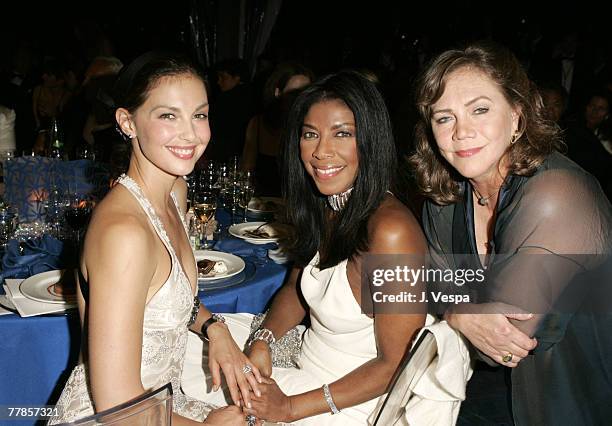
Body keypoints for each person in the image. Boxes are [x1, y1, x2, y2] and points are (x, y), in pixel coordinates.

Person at [182, 70, 427, 424]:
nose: (321, 151)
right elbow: (297, 289)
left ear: (371, 141)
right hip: (304, 362)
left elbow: (397, 363)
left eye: (342, 133)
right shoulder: (327, 206)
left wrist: (290, 408)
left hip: (350, 400)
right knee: (174, 345)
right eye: (311, 134)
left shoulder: (391, 232)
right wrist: (265, 340)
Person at [48, 52, 258, 425]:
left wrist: (213, 328)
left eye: (199, 115)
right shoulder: (123, 234)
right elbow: (117, 409)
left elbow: (163, 298)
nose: (191, 134)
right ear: (127, 122)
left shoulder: (175, 190)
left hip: (162, 402)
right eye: (167, 116)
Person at [410, 40, 612, 425]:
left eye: (480, 110)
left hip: (584, 395)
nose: (461, 131)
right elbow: (414, 284)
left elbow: (506, 345)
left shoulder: (557, 194)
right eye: (444, 117)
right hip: (506, 391)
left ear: (518, 116)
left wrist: (452, 306)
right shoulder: (445, 201)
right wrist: (458, 311)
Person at [241, 62, 314, 195]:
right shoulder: (258, 124)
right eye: (293, 92)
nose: (299, 99)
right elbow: (247, 170)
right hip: (263, 204)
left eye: (305, 93)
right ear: (277, 92)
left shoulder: (312, 128)